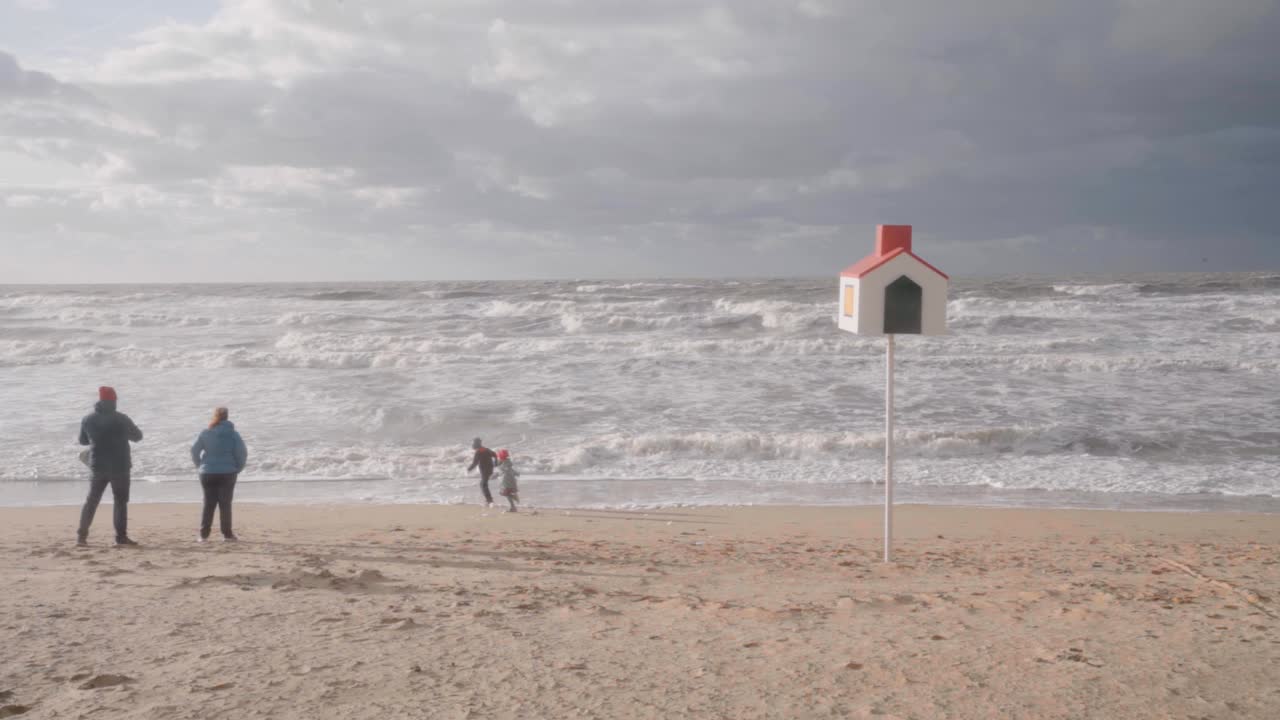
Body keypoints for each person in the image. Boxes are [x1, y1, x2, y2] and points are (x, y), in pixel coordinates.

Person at [77, 386, 143, 546]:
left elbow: (83, 441)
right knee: (120, 502)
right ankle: (120, 538)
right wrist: (122, 434)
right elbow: (138, 436)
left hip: (97, 466)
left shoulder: (87, 419)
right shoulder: (121, 418)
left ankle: (81, 537)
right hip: (120, 466)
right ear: (113, 400)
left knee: (91, 501)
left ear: (100, 401)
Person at [191, 407, 248, 542]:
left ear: (215, 417)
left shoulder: (206, 433)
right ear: (227, 417)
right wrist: (237, 468)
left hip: (207, 473)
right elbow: (242, 453)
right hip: (228, 472)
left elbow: (194, 451)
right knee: (225, 504)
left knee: (208, 503)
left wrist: (200, 466)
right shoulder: (233, 434)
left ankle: (203, 535)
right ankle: (227, 534)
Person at [466, 437, 498, 507]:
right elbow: (495, 454)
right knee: (483, 484)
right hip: (490, 469)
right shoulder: (486, 449)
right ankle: (488, 500)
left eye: (473, 443)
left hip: (485, 470)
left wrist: (468, 469)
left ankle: (490, 501)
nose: (472, 445)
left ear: (476, 444)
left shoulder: (478, 452)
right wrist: (496, 463)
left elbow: (475, 463)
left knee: (483, 485)